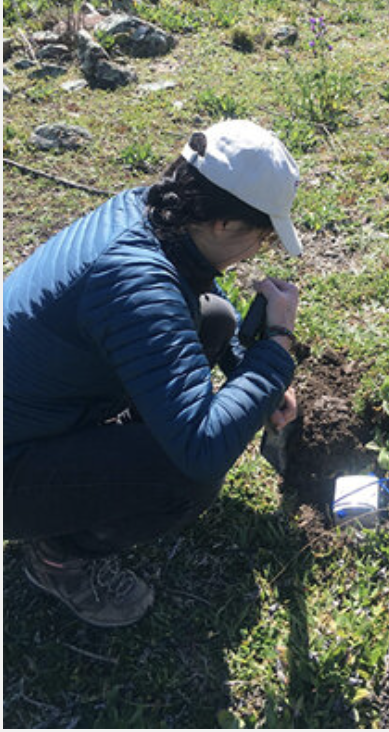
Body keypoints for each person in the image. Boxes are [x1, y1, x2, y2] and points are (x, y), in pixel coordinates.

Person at [4, 120, 305, 628]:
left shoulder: (147, 209)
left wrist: (243, 363)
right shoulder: (133, 282)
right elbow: (202, 446)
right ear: (223, 225)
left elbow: (190, 299)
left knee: (215, 318)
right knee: (184, 475)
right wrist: (275, 348)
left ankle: (100, 468)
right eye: (260, 237)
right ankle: (58, 556)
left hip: (31, 413)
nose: (257, 252)